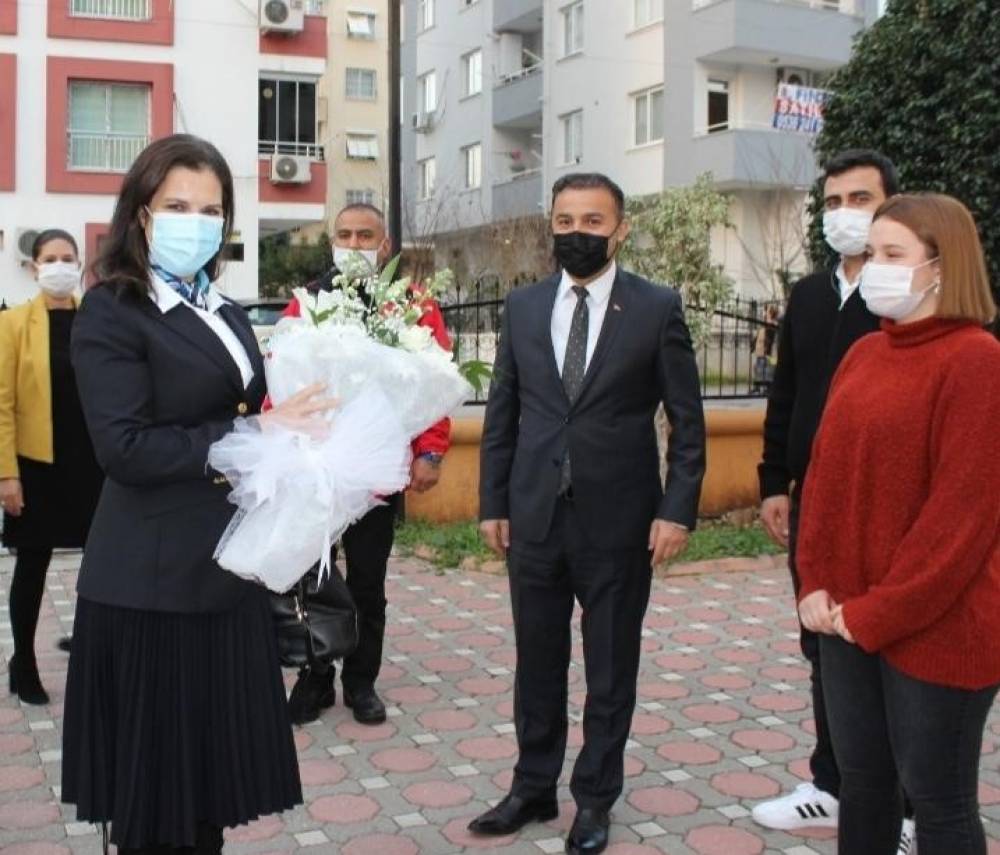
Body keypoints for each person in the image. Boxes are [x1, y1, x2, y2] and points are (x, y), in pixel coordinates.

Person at [60, 134, 328, 853]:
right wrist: (253, 433)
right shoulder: (114, 309)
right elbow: (125, 447)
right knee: (154, 810)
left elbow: (253, 416)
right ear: (141, 214)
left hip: (225, 576)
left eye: (211, 210)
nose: (197, 222)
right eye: (177, 206)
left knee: (206, 795)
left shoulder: (226, 311)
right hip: (151, 587)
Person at [473, 173, 706, 855]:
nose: (578, 233)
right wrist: (493, 501)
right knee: (537, 664)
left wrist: (677, 510)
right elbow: (502, 412)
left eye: (593, 221)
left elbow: (687, 423)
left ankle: (596, 798)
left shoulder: (656, 308)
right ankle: (532, 786)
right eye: (565, 221)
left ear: (620, 229)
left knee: (609, 670)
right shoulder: (522, 306)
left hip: (621, 522)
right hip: (535, 518)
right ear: (551, 225)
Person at [796, 193, 999, 855]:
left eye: (892, 254)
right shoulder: (864, 354)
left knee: (938, 802)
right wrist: (815, 582)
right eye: (871, 251)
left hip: (939, 623)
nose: (873, 266)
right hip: (845, 620)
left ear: (942, 266)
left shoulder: (978, 361)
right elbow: (824, 481)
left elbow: (960, 520)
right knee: (863, 784)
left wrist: (877, 611)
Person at [753, 149, 903, 836]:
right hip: (812, 495)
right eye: (835, 201)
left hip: (883, 501)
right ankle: (832, 783)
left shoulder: (901, 293)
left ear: (891, 204)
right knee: (821, 641)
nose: (845, 213)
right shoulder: (810, 295)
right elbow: (785, 390)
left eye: (860, 199)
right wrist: (772, 481)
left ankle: (902, 806)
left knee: (885, 647)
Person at [280, 202, 452, 726]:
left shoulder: (413, 305)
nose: (353, 245)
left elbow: (436, 383)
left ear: (385, 245)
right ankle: (315, 677)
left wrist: (430, 451)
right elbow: (280, 376)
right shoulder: (307, 300)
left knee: (368, 583)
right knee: (311, 578)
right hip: (318, 468)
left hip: (378, 471)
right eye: (345, 235)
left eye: (365, 236)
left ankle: (361, 681)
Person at [0, 230, 102, 704]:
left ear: (79, 264)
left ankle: (90, 644)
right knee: (33, 563)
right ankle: (23, 661)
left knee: (100, 561)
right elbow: (2, 404)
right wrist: (7, 474)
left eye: (67, 258)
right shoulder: (12, 324)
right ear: (33, 266)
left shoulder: (95, 320)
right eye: (49, 259)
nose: (59, 266)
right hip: (37, 464)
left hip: (92, 462)